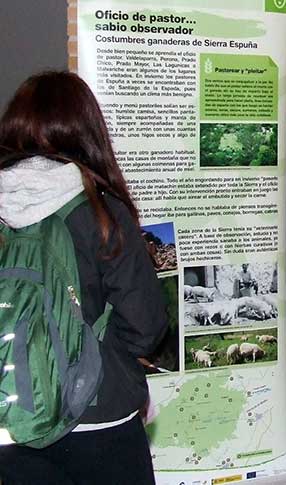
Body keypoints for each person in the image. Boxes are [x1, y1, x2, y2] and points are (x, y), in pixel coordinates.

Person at [0, 71, 168, 484]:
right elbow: (146, 328)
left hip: (11, 416)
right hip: (101, 416)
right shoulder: (103, 215)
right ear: (88, 132)